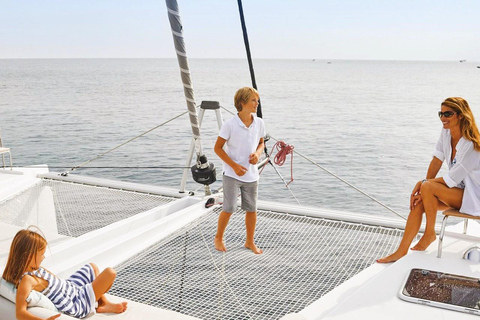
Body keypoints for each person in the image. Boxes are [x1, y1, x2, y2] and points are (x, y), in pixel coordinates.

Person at [377, 97, 480, 263]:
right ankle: (401, 251)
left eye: (448, 114)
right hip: (458, 191)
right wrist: (425, 189)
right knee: (419, 203)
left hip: (473, 197)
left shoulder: (471, 145)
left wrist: (424, 184)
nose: (443, 118)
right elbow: (437, 160)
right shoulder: (446, 132)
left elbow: (452, 179)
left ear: (460, 115)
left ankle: (430, 232)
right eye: (441, 113)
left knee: (427, 187)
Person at [2, 228, 128, 319]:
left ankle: (103, 303)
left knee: (92, 267)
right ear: (30, 256)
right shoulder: (27, 280)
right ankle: (99, 302)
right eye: (42, 254)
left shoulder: (33, 269)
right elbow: (20, 313)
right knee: (110, 273)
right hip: (76, 302)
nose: (44, 257)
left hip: (71, 288)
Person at [213, 87, 266, 254]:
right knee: (228, 208)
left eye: (257, 100)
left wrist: (257, 154)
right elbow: (218, 148)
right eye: (253, 100)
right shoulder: (230, 125)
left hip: (251, 175)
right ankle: (218, 237)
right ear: (242, 103)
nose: (257, 103)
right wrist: (234, 166)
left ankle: (249, 241)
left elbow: (261, 143)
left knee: (251, 209)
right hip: (231, 175)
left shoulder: (259, 123)